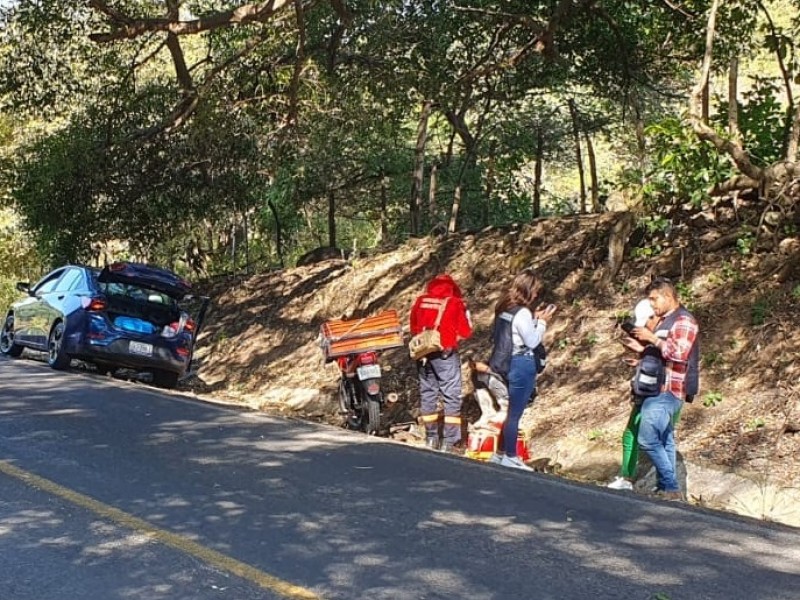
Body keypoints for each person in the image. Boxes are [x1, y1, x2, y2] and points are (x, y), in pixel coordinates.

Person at [629, 277, 699, 500]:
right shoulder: (665, 320)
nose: (652, 305)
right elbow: (661, 353)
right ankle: (666, 487)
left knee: (647, 438)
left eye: (654, 299)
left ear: (668, 296)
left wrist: (652, 338)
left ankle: (670, 486)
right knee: (665, 439)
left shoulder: (684, 321)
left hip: (670, 389)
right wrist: (642, 350)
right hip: (656, 385)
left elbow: (679, 353)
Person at [486, 269, 556, 471]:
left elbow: (514, 332)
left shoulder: (505, 307)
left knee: (510, 412)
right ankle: (511, 455)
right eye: (535, 292)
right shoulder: (523, 312)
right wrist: (542, 323)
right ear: (528, 290)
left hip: (505, 361)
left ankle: (500, 454)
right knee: (515, 413)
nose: (536, 296)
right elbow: (532, 340)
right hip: (521, 363)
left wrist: (534, 320)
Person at [409, 274, 473, 453]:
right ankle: (449, 441)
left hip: (423, 353)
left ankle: (430, 437)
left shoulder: (421, 301)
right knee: (451, 394)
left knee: (428, 393)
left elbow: (413, 326)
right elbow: (466, 331)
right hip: (445, 353)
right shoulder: (454, 303)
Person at [607, 298, 661, 491]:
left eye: (647, 321)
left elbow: (667, 361)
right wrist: (639, 359)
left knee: (656, 437)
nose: (645, 326)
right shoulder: (654, 335)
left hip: (660, 392)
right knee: (631, 433)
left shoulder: (665, 333)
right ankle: (626, 476)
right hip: (646, 388)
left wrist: (644, 349)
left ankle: (664, 484)